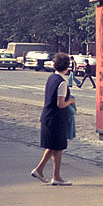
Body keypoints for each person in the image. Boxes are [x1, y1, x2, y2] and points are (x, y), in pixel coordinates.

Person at [32, 52, 76, 185]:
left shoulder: (52, 78)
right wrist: (71, 101)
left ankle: (41, 171)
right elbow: (60, 103)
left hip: (48, 118)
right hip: (56, 120)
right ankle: (55, 177)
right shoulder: (62, 83)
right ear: (67, 67)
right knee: (58, 147)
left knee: (54, 147)